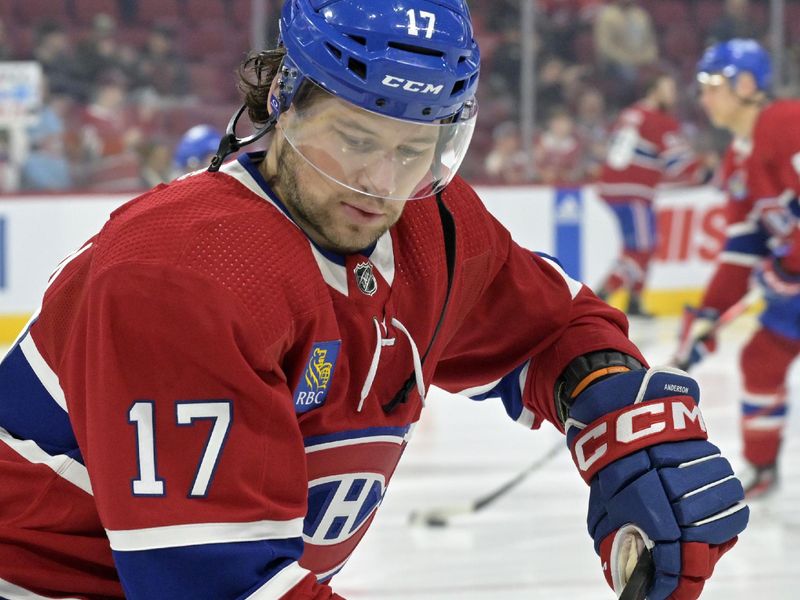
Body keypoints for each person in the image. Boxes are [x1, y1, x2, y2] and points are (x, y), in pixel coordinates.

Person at [0, 2, 747, 599]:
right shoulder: (180, 276)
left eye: (413, 148)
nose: (381, 185)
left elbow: (552, 331)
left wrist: (625, 423)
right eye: (355, 139)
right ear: (284, 102)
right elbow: (218, 585)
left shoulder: (433, 225)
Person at [676, 39, 800, 499]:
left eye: (713, 85)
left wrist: (789, 266)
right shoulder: (738, 157)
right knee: (761, 359)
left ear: (746, 84)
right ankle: (763, 468)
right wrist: (708, 313)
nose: (704, 97)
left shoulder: (788, 123)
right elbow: (743, 247)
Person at [595, 72, 710, 316]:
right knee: (641, 249)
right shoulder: (659, 119)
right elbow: (679, 163)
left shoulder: (631, 113)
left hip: (613, 188)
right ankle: (601, 295)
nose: (673, 94)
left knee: (641, 244)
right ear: (654, 91)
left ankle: (635, 299)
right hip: (633, 191)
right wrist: (705, 171)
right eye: (668, 87)